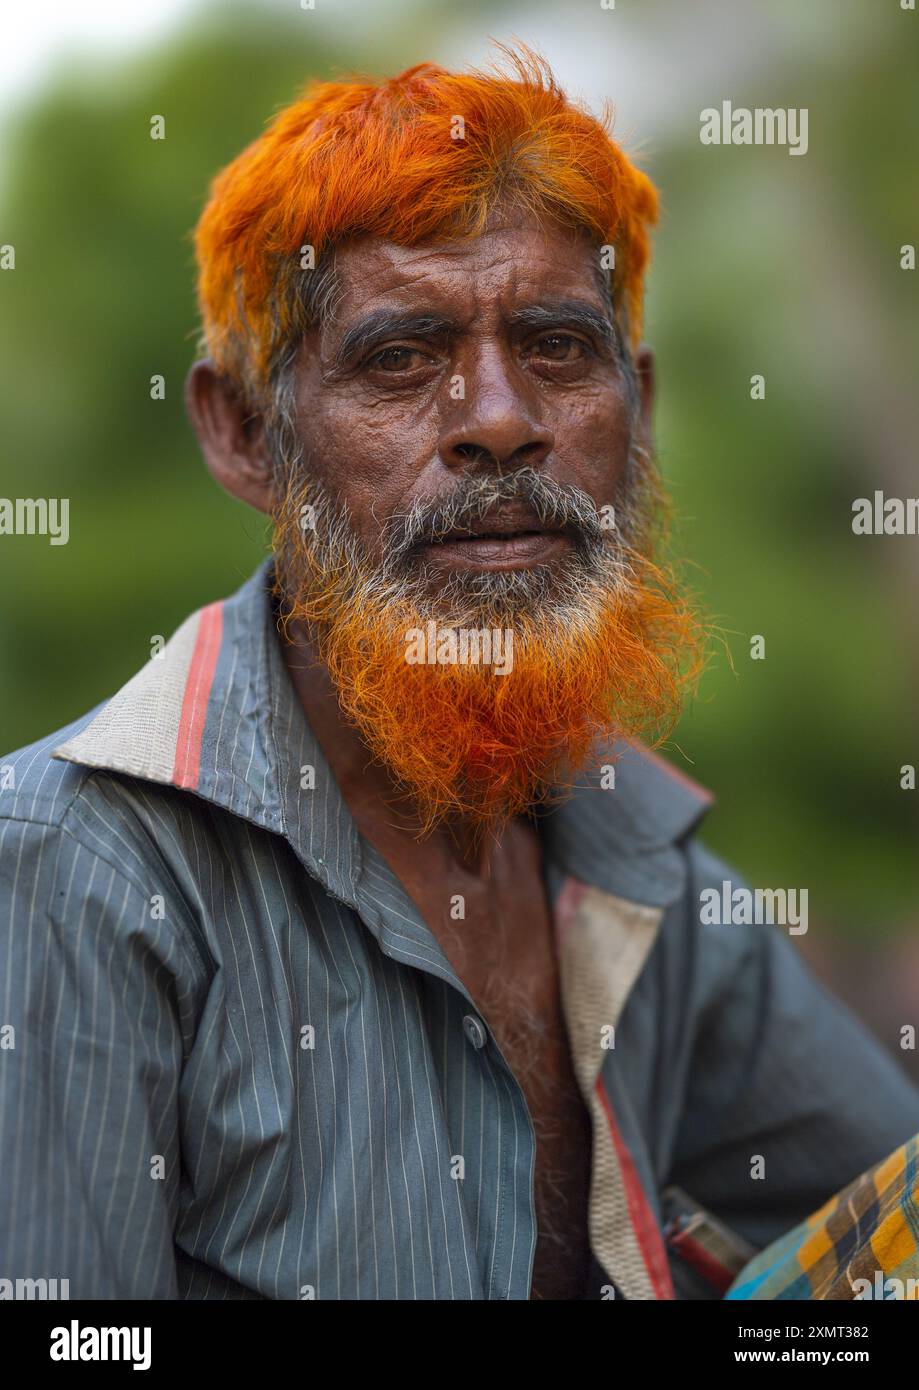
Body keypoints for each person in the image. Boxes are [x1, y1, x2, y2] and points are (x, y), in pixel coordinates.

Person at [1, 45, 917, 1301]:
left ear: (634, 411)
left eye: (555, 347)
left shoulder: (629, 852)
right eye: (398, 357)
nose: (498, 416)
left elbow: (881, 1213)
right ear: (246, 434)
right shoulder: (78, 866)